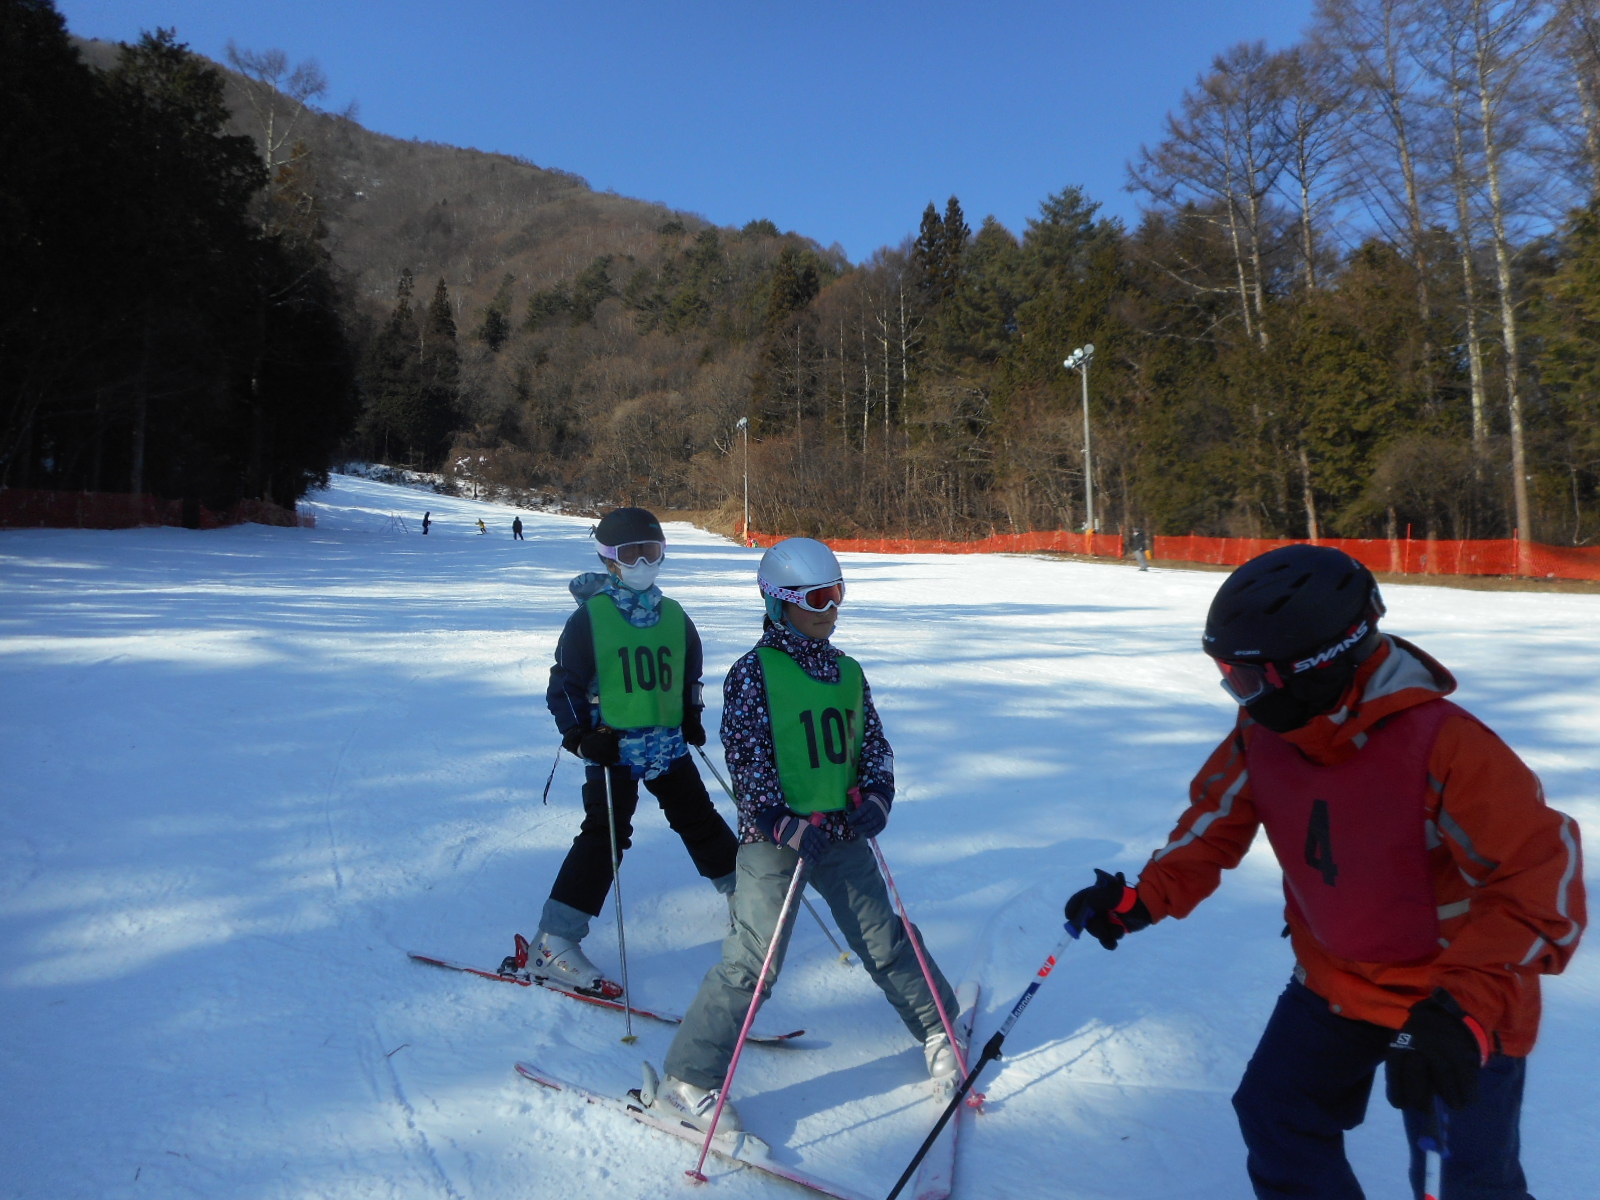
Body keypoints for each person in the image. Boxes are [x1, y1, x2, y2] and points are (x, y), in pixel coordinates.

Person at [1063, 544, 1585, 1200]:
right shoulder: (1267, 733)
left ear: (1316, 665)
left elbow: (1539, 877)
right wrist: (1142, 899)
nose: (1236, 692)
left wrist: (1465, 1011)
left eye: (1248, 677)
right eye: (1226, 673)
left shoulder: (1446, 747)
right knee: (1277, 1115)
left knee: (1476, 1179)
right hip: (1336, 982)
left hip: (1451, 997)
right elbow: (1210, 824)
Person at [646, 537, 961, 1134]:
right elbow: (746, 758)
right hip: (775, 843)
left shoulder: (847, 672)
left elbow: (873, 747)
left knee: (885, 942)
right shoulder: (752, 675)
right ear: (777, 602)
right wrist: (779, 821)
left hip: (841, 836)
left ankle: (942, 1032)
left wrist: (877, 795)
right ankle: (688, 1080)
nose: (830, 608)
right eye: (817, 597)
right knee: (752, 964)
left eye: (837, 594)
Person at [515, 506, 738, 997]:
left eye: (651, 552)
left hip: (667, 744)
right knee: (606, 835)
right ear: (609, 559)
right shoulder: (590, 620)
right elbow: (566, 685)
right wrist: (578, 736)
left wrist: (691, 713)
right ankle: (554, 941)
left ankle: (748, 899)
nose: (642, 563)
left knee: (699, 819)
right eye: (629, 554)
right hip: (613, 748)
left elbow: (689, 675)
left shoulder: (675, 616)